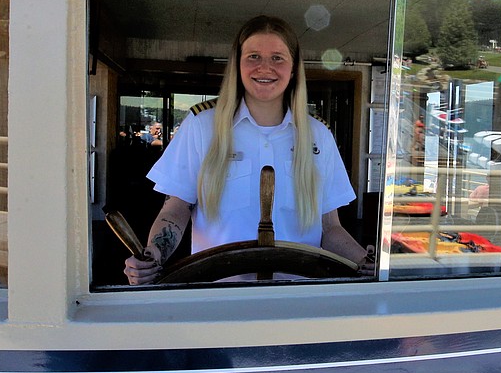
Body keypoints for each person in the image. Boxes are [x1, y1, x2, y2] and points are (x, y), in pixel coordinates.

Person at [125, 15, 373, 284]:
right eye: (253, 56)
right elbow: (176, 207)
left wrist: (365, 262)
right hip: (218, 295)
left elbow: (330, 227)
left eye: (278, 57)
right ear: (237, 65)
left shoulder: (318, 135)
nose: (265, 68)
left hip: (299, 294)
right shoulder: (201, 126)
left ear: (293, 69)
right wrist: (154, 255)